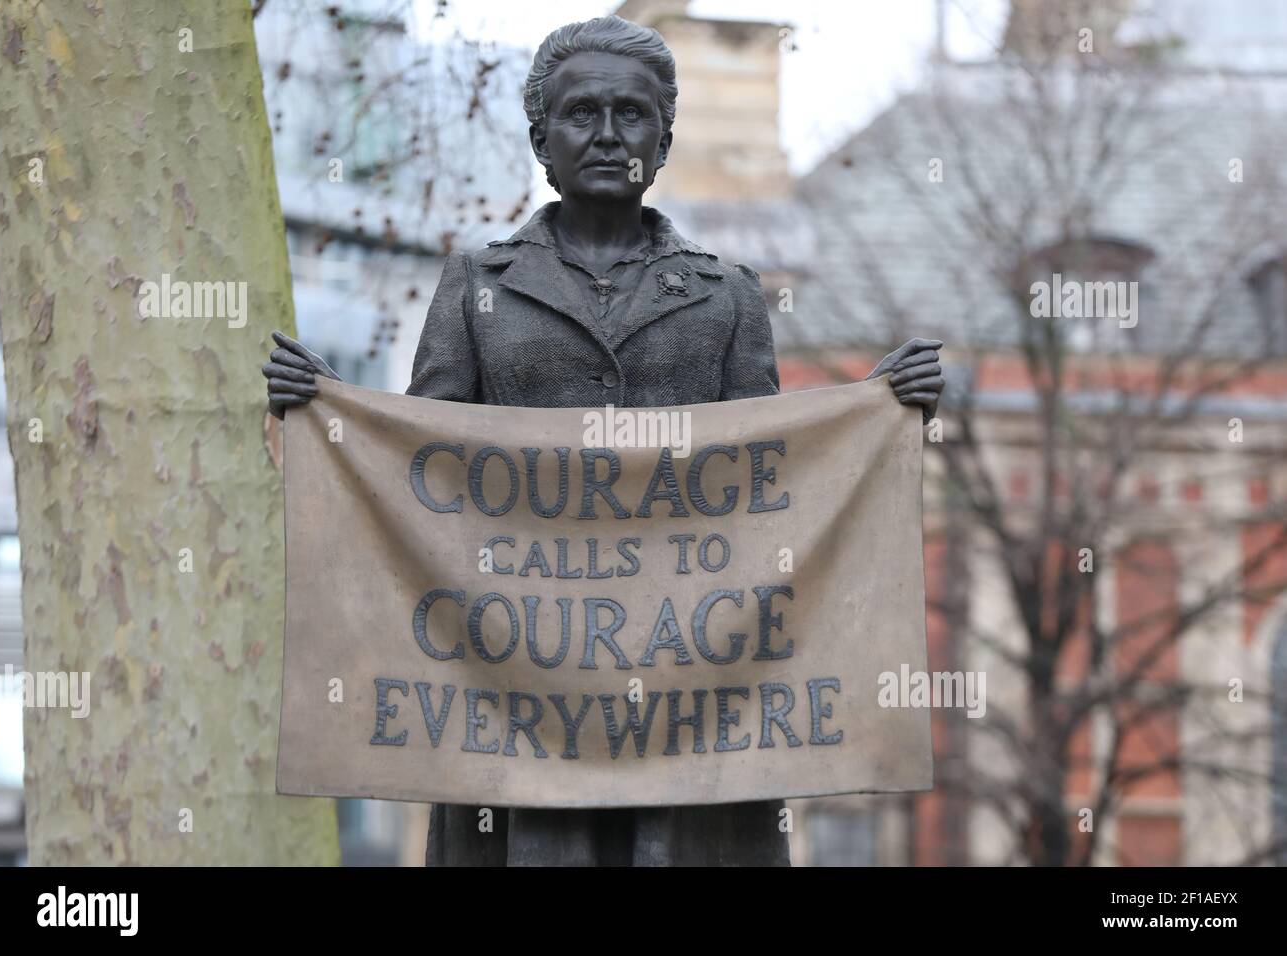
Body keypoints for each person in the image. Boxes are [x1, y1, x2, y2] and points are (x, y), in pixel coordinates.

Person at [264, 15, 944, 866]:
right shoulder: (477, 284)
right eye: (583, 113)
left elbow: (774, 489)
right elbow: (421, 477)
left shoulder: (728, 295)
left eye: (633, 114)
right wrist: (327, 415)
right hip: (518, 707)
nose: (609, 133)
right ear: (541, 138)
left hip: (691, 706)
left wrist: (880, 413)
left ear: (662, 141)